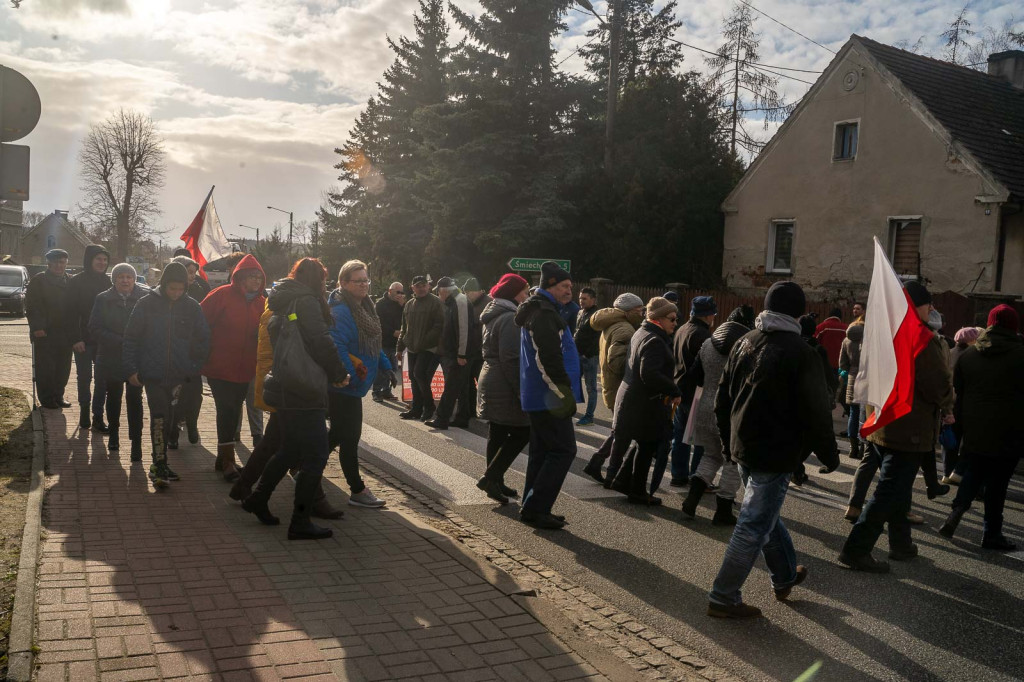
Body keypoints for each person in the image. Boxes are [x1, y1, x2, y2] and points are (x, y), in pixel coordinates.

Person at [708, 282, 838, 618]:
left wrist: (727, 441)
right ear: (797, 312)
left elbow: (722, 398)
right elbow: (817, 411)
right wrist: (829, 455)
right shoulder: (801, 352)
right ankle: (723, 597)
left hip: (744, 445)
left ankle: (784, 575)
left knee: (766, 516)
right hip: (775, 452)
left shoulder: (744, 341)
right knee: (753, 524)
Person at [839, 281, 953, 574]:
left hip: (882, 422)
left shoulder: (883, 331)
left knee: (898, 490)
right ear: (916, 306)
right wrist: (950, 399)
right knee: (889, 491)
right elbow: (939, 385)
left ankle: (900, 544)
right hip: (907, 427)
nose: (932, 309)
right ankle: (856, 550)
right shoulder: (921, 339)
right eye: (928, 304)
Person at [242, 258, 351, 540]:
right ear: (317, 279)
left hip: (285, 382)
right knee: (314, 455)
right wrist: (338, 372)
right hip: (305, 387)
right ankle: (300, 520)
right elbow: (321, 341)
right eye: (324, 279)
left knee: (289, 450)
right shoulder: (307, 301)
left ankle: (257, 498)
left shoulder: (282, 299)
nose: (325, 284)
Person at [939, 305, 1023, 552]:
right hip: (1010, 430)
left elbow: (960, 391)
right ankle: (991, 533)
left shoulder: (970, 356)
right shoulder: (1020, 355)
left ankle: (956, 511)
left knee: (974, 472)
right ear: (1014, 326)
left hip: (975, 428)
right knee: (998, 484)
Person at [123, 263, 210, 488]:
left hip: (180, 376)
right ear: (164, 284)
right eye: (172, 288)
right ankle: (158, 464)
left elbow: (203, 340)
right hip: (152, 374)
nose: (176, 293)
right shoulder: (146, 304)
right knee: (159, 416)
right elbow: (131, 338)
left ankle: (163, 461)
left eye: (180, 289)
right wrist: (132, 369)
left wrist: (193, 367)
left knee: (171, 419)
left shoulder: (192, 307)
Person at [515, 262, 582, 529]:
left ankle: (533, 506)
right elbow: (548, 361)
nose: (569, 291)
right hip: (548, 397)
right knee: (564, 450)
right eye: (564, 286)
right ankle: (536, 507)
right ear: (550, 286)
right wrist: (564, 395)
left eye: (570, 287)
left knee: (542, 452)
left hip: (540, 395)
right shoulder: (544, 314)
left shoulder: (541, 310)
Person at [327, 260, 393, 508]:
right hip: (343, 385)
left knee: (336, 434)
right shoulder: (341, 310)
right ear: (343, 283)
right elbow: (338, 346)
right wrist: (349, 376)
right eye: (358, 280)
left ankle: (302, 465)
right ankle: (357, 490)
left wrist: (385, 366)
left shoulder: (366, 306)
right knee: (350, 438)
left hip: (354, 383)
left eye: (366, 280)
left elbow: (373, 342)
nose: (364, 285)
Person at [681, 306, 754, 525]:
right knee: (732, 462)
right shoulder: (746, 349)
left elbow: (694, 376)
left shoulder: (708, 344)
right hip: (731, 412)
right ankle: (722, 511)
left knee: (711, 455)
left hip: (705, 407)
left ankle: (691, 501)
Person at [200, 254, 267, 482]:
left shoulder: (262, 303)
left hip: (246, 368)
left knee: (233, 409)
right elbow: (199, 324)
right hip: (220, 367)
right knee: (226, 410)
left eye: (259, 277)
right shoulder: (221, 295)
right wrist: (205, 353)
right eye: (251, 276)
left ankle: (223, 458)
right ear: (239, 277)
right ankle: (227, 461)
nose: (256, 281)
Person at [611, 297, 681, 506]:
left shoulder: (642, 332)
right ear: (658, 319)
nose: (675, 323)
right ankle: (638, 491)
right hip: (645, 402)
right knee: (647, 445)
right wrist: (673, 388)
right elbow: (649, 373)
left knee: (643, 442)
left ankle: (623, 480)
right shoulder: (654, 340)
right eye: (672, 319)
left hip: (636, 398)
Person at [475, 273, 531, 504]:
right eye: (525, 291)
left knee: (497, 432)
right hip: (503, 380)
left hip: (493, 375)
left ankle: (496, 481)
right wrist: (521, 391)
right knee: (522, 431)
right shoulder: (509, 317)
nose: (527, 295)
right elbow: (510, 358)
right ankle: (491, 477)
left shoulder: (495, 312)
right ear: (513, 293)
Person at [581, 293, 645, 483]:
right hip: (620, 387)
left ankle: (597, 462)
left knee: (620, 430)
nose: (642, 314)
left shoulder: (613, 325)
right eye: (640, 311)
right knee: (623, 432)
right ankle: (608, 469)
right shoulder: (625, 330)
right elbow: (617, 363)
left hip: (612, 385)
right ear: (630, 311)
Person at [89, 263, 147, 460]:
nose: (125, 280)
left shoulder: (144, 299)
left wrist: (134, 343)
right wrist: (119, 340)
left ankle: (136, 443)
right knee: (113, 398)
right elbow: (94, 328)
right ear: (114, 279)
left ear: (134, 279)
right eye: (120, 277)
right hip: (111, 356)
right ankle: (113, 435)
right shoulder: (103, 299)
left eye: (129, 277)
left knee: (135, 399)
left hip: (136, 358)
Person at [670, 296, 716, 487]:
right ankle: (698, 476)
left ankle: (678, 474)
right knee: (700, 438)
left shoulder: (682, 328)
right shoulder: (702, 335)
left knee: (680, 435)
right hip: (696, 391)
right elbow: (705, 366)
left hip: (680, 386)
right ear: (708, 315)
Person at [68, 244, 111, 431]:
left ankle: (98, 416)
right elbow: (69, 313)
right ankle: (84, 412)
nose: (102, 263)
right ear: (89, 260)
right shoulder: (76, 282)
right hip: (83, 341)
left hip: (103, 341)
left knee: (102, 380)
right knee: (84, 377)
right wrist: (75, 338)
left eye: (105, 260)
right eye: (98, 259)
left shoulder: (110, 282)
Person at [26, 249, 74, 409]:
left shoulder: (70, 280)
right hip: (45, 333)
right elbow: (32, 306)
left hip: (65, 333)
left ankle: (58, 395)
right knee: (46, 368)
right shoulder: (39, 281)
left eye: (62, 262)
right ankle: (47, 398)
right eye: (56, 262)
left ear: (66, 263)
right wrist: (38, 327)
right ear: (49, 263)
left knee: (63, 367)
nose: (59, 265)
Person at [426, 277, 476, 429]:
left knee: (451, 387)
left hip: (458, 353)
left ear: (443, 291)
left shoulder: (459, 301)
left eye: (438, 292)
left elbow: (464, 330)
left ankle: (442, 419)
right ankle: (462, 417)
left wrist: (462, 354)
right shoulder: (454, 301)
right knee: (461, 386)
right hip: (456, 351)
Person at [794, 314, 839, 482]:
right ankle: (797, 468)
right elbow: (828, 377)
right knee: (810, 437)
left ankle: (797, 470)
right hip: (812, 401)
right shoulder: (817, 349)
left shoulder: (792, 345)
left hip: (791, 400)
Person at [170, 255, 208, 446]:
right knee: (175, 398)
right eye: (188, 272)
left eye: (194, 272)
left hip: (192, 356)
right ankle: (173, 433)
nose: (192, 276)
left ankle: (192, 423)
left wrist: (200, 354)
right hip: (171, 358)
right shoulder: (165, 295)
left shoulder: (200, 292)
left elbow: (203, 329)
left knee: (195, 395)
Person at [398, 275, 444, 421]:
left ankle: (429, 407)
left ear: (429, 286)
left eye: (424, 285)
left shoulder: (436, 302)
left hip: (428, 348)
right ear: (412, 288)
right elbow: (404, 328)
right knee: (413, 376)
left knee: (420, 375)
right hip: (412, 348)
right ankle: (416, 410)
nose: (421, 288)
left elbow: (438, 326)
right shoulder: (409, 304)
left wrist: (424, 342)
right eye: (418, 286)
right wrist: (399, 347)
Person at [940, 326, 981, 484]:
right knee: (966, 440)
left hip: (947, 402)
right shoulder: (972, 356)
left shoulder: (948, 354)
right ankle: (958, 471)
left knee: (949, 438)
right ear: (971, 340)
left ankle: (946, 471)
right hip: (964, 403)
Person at [372, 281, 405, 402]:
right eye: (398, 292)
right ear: (390, 291)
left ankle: (386, 390)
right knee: (382, 369)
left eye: (402, 292)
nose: (400, 295)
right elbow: (378, 323)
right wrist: (392, 332)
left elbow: (406, 319)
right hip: (383, 341)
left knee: (394, 369)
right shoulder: (380, 304)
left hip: (396, 343)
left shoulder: (401, 304)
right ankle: (376, 391)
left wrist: (403, 305)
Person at [839, 317, 866, 462]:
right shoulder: (868, 340)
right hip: (866, 377)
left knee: (853, 413)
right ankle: (862, 446)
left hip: (851, 378)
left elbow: (842, 364)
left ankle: (852, 447)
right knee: (865, 414)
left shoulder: (846, 340)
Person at [574, 287, 601, 427]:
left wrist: (587, 353)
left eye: (584, 298)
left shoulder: (597, 315)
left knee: (591, 388)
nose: (581, 301)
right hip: (577, 355)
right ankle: (570, 411)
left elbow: (597, 337)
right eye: (580, 298)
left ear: (593, 299)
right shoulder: (580, 312)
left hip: (589, 357)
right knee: (572, 383)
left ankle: (589, 416)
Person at [463, 277, 491, 413]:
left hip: (482, 351)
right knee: (468, 382)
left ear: (478, 291)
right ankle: (471, 408)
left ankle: (485, 409)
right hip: (470, 350)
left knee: (482, 383)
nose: (467, 295)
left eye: (469, 292)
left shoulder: (489, 303)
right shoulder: (469, 304)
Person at [814, 307, 847, 371]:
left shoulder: (822, 327)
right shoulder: (846, 328)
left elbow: (814, 341)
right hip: (840, 364)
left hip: (823, 363)